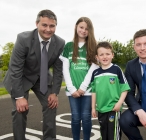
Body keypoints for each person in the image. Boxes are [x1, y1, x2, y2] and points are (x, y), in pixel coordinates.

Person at [3, 10, 65, 140]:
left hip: (41, 77)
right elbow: (15, 68)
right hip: (21, 77)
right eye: (44, 25)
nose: (48, 29)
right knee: (20, 110)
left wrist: (54, 93)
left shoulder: (60, 43)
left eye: (52, 26)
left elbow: (58, 70)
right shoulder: (23, 39)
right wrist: (19, 97)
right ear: (37, 24)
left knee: (51, 105)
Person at [59, 17, 99, 140]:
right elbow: (65, 69)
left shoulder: (93, 46)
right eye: (81, 27)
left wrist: (82, 87)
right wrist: (71, 88)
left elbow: (94, 68)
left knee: (86, 117)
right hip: (72, 90)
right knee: (75, 117)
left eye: (87, 29)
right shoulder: (69, 46)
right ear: (76, 27)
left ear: (90, 31)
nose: (83, 30)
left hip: (87, 89)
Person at [91, 41, 130, 140]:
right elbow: (94, 91)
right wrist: (93, 108)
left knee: (113, 135)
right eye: (101, 54)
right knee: (103, 133)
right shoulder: (95, 73)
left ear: (112, 55)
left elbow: (125, 88)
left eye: (107, 54)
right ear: (97, 57)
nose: (105, 57)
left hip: (114, 109)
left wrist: (119, 103)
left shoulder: (116, 70)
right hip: (101, 109)